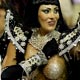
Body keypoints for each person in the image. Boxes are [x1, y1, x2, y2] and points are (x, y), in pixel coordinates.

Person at [1, 0, 69, 80]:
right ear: (36, 13)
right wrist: (40, 58)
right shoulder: (21, 40)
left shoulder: (66, 42)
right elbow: (5, 75)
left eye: (56, 11)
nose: (53, 16)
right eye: (46, 11)